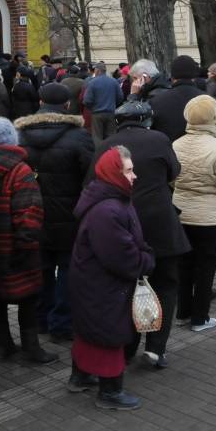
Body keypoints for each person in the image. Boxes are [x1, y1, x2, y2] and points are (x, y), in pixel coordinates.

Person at [97, 101, 189, 368]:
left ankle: (127, 347)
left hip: (122, 223)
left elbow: (93, 179)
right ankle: (156, 348)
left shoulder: (106, 144)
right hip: (160, 224)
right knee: (166, 284)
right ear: (146, 119)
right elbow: (174, 171)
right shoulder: (159, 139)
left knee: (126, 286)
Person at [69, 146, 154, 410]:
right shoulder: (108, 211)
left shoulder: (110, 200)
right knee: (108, 333)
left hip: (93, 282)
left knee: (91, 330)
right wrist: (147, 260)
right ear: (114, 174)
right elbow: (121, 258)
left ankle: (80, 376)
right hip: (103, 286)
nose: (134, 176)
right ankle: (109, 392)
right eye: (129, 170)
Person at [0, 118, 58, 364]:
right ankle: (32, 348)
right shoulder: (20, 171)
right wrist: (26, 245)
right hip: (17, 248)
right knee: (29, 299)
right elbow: (29, 212)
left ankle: (4, 345)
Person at [15, 82, 95, 341]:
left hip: (32, 212)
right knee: (69, 270)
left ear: (40, 103)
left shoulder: (20, 135)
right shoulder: (79, 136)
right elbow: (90, 176)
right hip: (69, 214)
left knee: (41, 269)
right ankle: (62, 323)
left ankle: (41, 320)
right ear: (67, 106)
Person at [172, 95, 216, 332]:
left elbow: (171, 176)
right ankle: (200, 318)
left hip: (180, 211)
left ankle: (182, 312)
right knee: (205, 267)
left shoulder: (176, 144)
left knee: (184, 265)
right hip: (209, 217)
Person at [147, 55, 206, 142]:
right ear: (194, 76)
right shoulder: (208, 100)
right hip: (202, 152)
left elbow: (152, 132)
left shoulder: (156, 101)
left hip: (168, 152)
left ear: (172, 76)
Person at [84, 62, 124, 146]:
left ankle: (100, 155)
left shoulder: (92, 82)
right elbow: (120, 97)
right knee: (111, 137)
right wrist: (113, 104)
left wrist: (92, 108)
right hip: (111, 113)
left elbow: (87, 100)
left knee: (97, 137)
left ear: (97, 71)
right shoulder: (114, 81)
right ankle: (112, 155)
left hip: (97, 114)